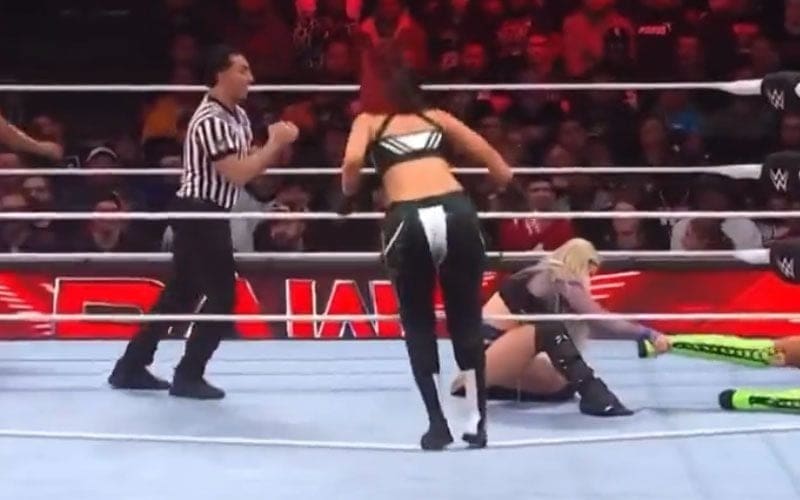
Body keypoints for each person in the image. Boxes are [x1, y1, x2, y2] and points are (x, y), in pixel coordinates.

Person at [340, 40, 513, 450]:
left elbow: (351, 163)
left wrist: (349, 193)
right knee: (465, 322)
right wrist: (489, 189)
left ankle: (438, 424)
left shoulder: (369, 122)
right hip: (456, 211)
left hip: (408, 218)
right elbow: (500, 168)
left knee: (418, 321)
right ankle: (476, 423)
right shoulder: (437, 118)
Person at [108, 45, 298, 399]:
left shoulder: (238, 117)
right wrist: (274, 144)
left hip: (211, 211)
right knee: (222, 296)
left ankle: (130, 366)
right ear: (220, 74)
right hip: (199, 212)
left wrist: (273, 150)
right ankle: (188, 373)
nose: (251, 78)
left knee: (181, 294)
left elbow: (249, 165)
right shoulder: (210, 119)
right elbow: (238, 173)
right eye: (242, 70)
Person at [451, 238, 671, 416]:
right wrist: (647, 333)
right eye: (590, 271)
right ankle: (597, 396)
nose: (590, 278)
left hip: (492, 358)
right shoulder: (556, 276)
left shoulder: (545, 279)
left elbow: (597, 323)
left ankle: (490, 388)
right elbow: (600, 319)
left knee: (563, 384)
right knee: (547, 329)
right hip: (483, 357)